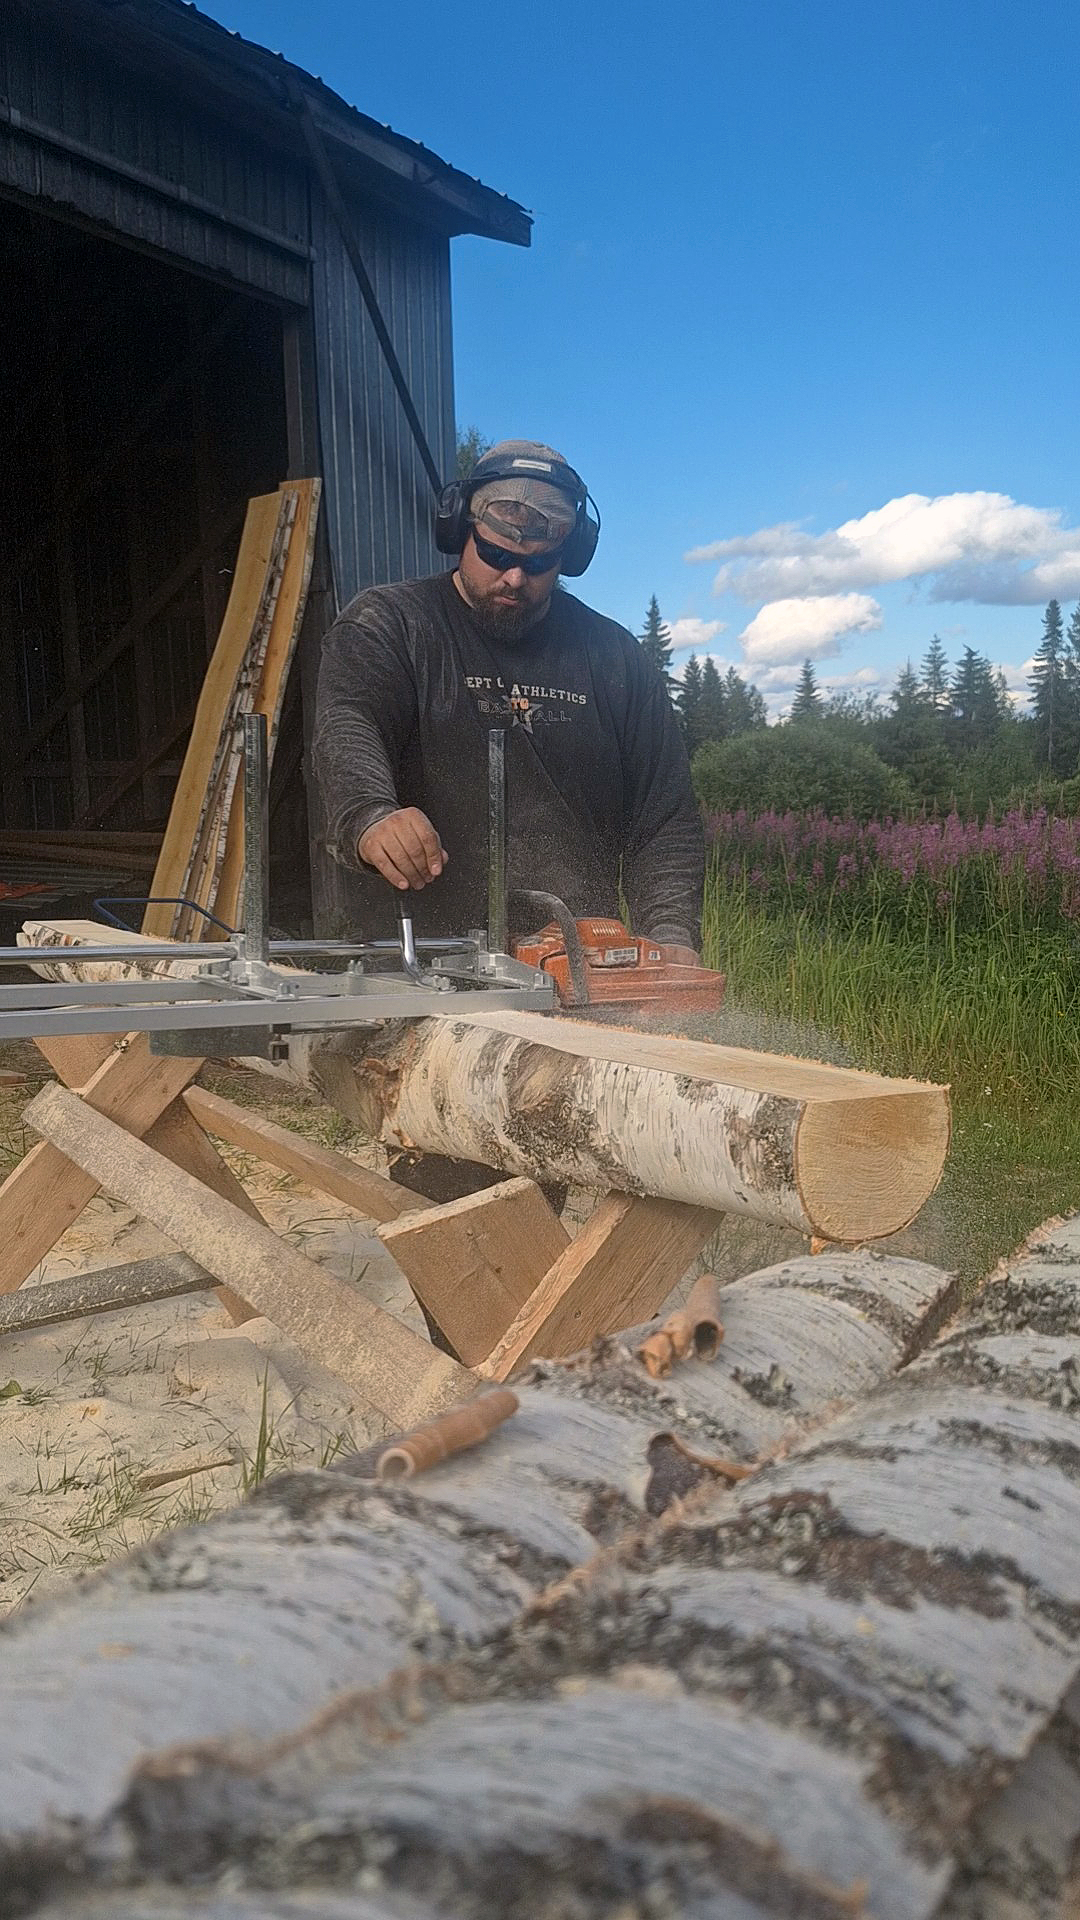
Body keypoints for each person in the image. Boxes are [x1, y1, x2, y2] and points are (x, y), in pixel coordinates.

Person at [313, 440, 705, 964]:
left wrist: (671, 936)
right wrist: (371, 814)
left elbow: (665, 817)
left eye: (539, 564)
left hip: (578, 962)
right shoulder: (391, 625)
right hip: (417, 961)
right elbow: (347, 727)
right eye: (496, 555)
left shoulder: (615, 659)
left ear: (571, 556)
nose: (515, 578)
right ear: (459, 532)